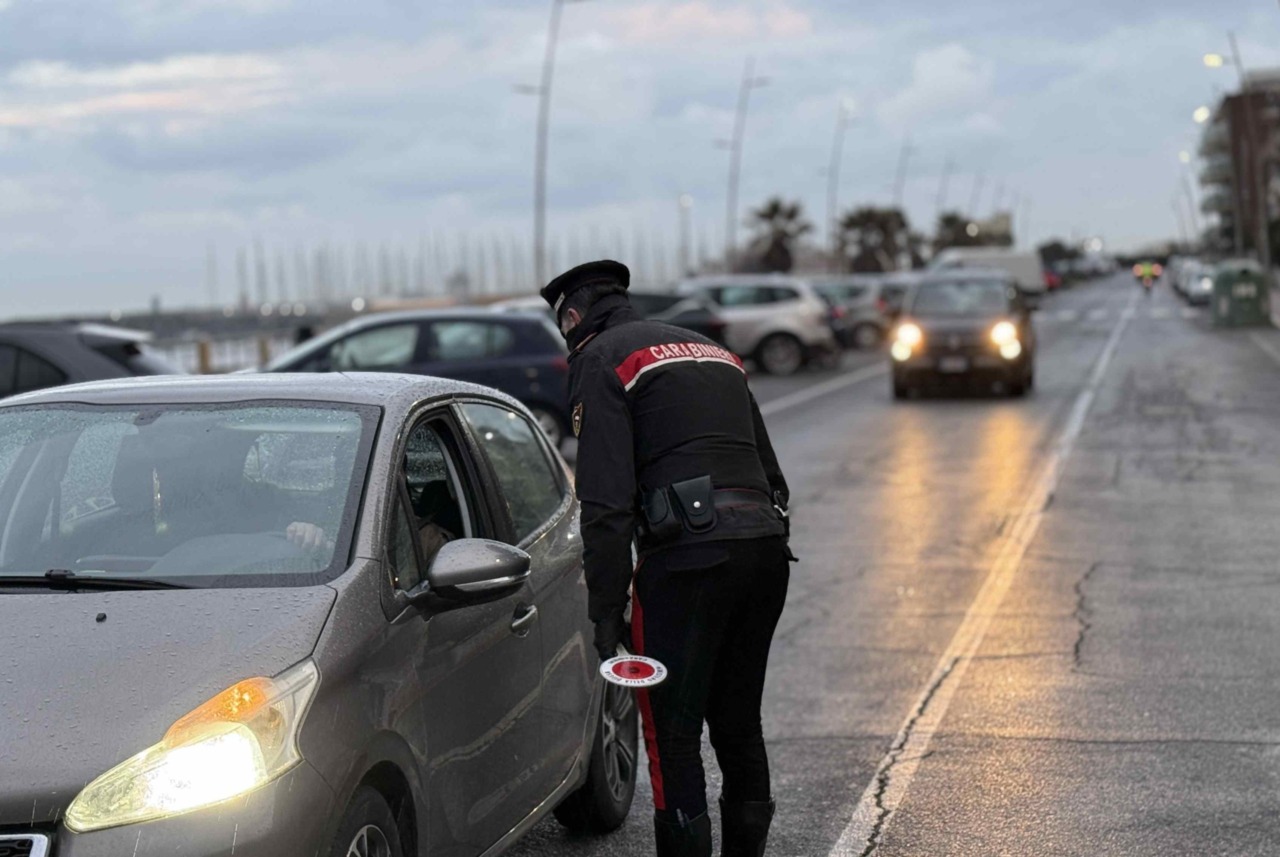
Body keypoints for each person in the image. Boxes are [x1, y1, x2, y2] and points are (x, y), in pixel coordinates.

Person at [541, 260, 793, 857]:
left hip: (685, 564)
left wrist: (606, 610)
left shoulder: (601, 360)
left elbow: (604, 501)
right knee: (739, 725)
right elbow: (774, 476)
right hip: (765, 552)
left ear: (573, 318)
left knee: (671, 739)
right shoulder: (714, 350)